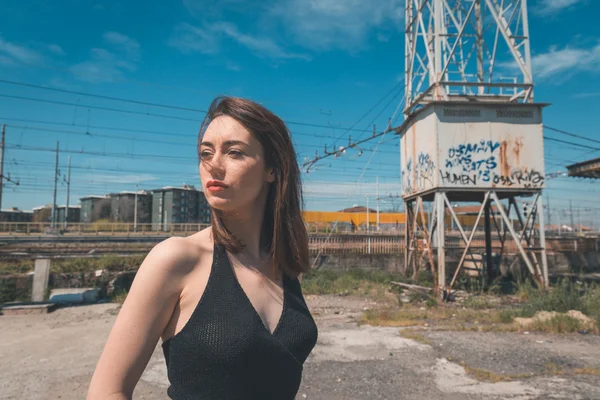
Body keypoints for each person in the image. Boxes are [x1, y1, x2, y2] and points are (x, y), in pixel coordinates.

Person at [87, 96, 318, 400]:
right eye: (205, 153)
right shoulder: (176, 259)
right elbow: (107, 391)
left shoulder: (285, 264)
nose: (214, 165)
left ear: (273, 169)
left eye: (234, 152)